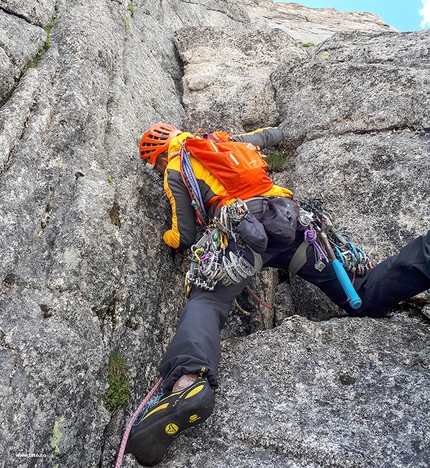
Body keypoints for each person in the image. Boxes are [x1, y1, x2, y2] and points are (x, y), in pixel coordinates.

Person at [125, 123, 430, 466]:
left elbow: (183, 234)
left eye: (156, 166)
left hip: (244, 233)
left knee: (208, 302)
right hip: (294, 224)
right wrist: (285, 131)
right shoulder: (219, 141)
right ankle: (425, 256)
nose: (160, 170)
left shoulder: (177, 167)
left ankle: (187, 382)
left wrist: (166, 240)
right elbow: (267, 136)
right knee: (361, 292)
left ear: (159, 156)